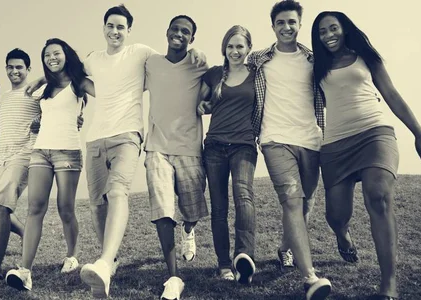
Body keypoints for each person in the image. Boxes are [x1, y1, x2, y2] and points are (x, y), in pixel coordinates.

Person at [24, 5, 205, 298]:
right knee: (97, 203)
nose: (115, 31)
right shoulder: (93, 59)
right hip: (96, 138)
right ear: (104, 28)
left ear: (129, 30)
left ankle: (105, 263)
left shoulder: (141, 53)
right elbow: (67, 70)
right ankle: (112, 258)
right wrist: (42, 78)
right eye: (110, 25)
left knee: (117, 191)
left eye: (121, 26)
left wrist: (198, 54)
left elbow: (172, 60)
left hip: (127, 135)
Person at [311, 11, 421, 300]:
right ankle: (343, 235)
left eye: (333, 28)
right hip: (335, 143)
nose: (329, 34)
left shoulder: (366, 56)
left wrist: (420, 133)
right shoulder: (316, 65)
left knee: (378, 197)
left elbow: (392, 95)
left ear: (345, 30)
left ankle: (388, 286)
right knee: (336, 215)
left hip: (374, 132)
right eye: (322, 31)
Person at [245, 1, 332, 298]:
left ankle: (285, 247)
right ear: (273, 26)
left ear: (299, 24)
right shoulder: (259, 59)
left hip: (311, 139)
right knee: (292, 201)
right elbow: (232, 73)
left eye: (292, 22)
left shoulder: (313, 59)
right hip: (274, 139)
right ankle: (310, 276)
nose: (286, 27)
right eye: (280, 23)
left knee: (305, 204)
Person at [5, 38, 95, 291]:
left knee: (65, 208)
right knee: (35, 208)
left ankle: (72, 255)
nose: (51, 58)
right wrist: (43, 81)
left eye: (56, 53)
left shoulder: (79, 83)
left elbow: (106, 91)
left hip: (67, 151)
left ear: (66, 55)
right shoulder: (45, 89)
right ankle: (25, 271)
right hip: (40, 152)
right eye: (47, 55)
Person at [143, 15, 208, 300]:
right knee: (163, 209)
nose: (179, 34)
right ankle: (173, 275)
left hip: (190, 146)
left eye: (186, 32)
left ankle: (190, 229)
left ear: (192, 39)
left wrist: (208, 100)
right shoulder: (152, 64)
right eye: (175, 29)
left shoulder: (198, 63)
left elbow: (222, 76)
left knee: (191, 206)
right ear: (167, 31)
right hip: (156, 145)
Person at [197, 25, 259, 286]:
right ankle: (224, 264)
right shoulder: (213, 75)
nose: (235, 51)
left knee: (243, 195)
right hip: (214, 147)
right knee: (219, 207)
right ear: (224, 48)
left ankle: (243, 255)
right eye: (230, 46)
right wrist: (204, 104)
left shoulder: (257, 75)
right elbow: (200, 103)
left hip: (243, 145)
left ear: (248, 49)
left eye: (240, 46)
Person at [0, 49, 41, 283]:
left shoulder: (38, 92)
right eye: (10, 67)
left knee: (0, 205)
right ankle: (28, 235)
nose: (14, 71)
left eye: (19, 67)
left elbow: (58, 110)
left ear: (28, 69)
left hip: (24, 154)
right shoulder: (3, 98)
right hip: (1, 156)